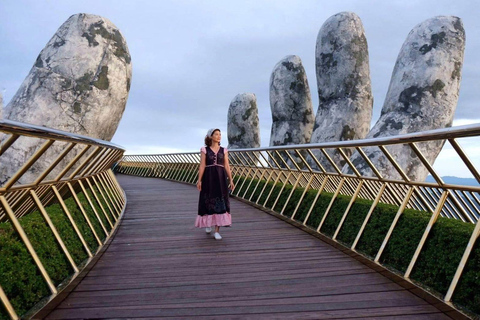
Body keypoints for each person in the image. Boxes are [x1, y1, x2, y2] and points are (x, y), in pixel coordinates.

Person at [195, 128, 235, 240]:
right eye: (216, 134)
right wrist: (199, 180)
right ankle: (208, 224)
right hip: (208, 178)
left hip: (221, 178)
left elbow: (227, 165)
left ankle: (217, 231)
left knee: (220, 202)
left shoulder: (224, 150)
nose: (219, 136)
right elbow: (202, 165)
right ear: (211, 136)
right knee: (207, 200)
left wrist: (231, 179)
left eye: (220, 134)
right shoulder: (204, 150)